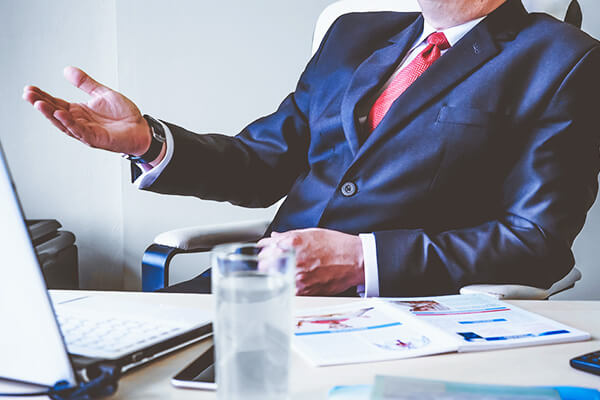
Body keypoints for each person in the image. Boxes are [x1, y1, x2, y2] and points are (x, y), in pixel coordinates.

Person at [23, 0, 600, 297]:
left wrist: (361, 262)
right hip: (255, 290)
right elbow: (263, 163)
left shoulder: (565, 59)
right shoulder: (355, 33)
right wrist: (149, 141)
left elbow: (537, 241)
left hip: (400, 313)